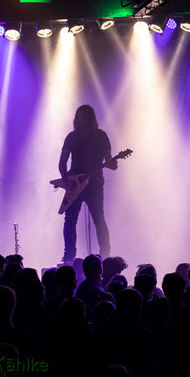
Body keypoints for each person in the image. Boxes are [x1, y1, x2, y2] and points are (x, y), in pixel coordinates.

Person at [59, 105, 117, 265]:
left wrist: (113, 163)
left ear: (91, 118)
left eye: (86, 116)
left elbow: (110, 161)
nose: (82, 119)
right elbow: (62, 162)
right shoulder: (71, 137)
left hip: (95, 184)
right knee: (70, 219)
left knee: (99, 218)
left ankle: (105, 254)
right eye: (80, 116)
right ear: (77, 118)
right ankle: (69, 255)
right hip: (74, 183)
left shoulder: (101, 136)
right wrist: (66, 182)